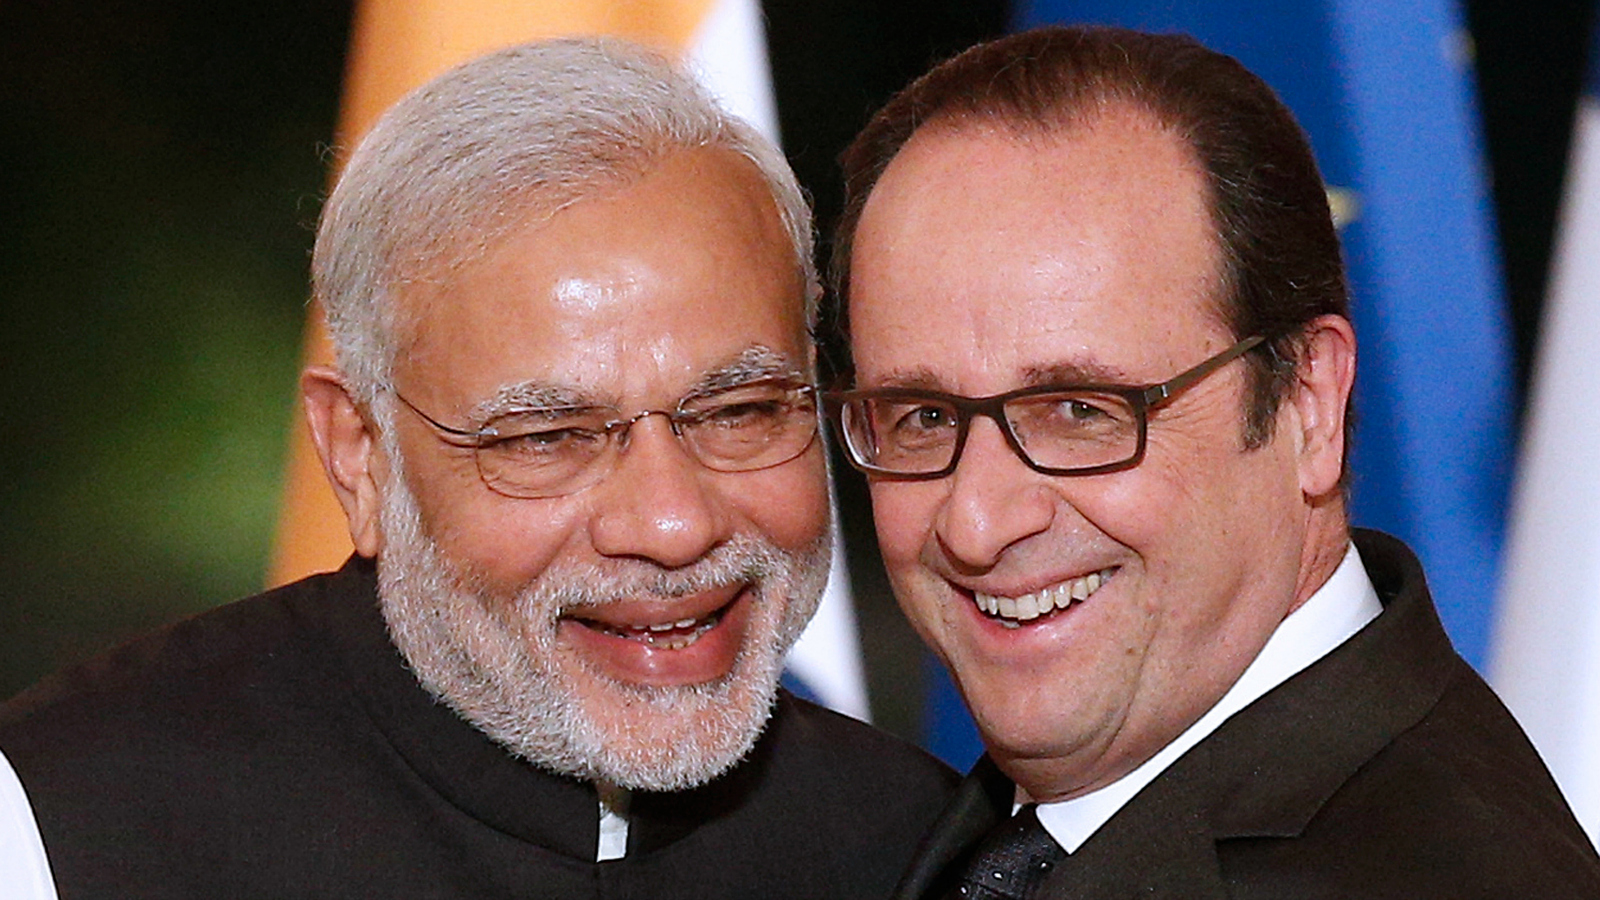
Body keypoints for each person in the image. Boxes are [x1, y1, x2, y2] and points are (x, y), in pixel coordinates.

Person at [0, 38, 956, 898]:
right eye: (549, 437)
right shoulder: (61, 826)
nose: (673, 525)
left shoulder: (930, 851)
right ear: (358, 455)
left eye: (739, 411)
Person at [826, 25, 1600, 899]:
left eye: (1082, 412)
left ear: (1308, 406)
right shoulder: (921, 831)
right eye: (923, 417)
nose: (976, 522)